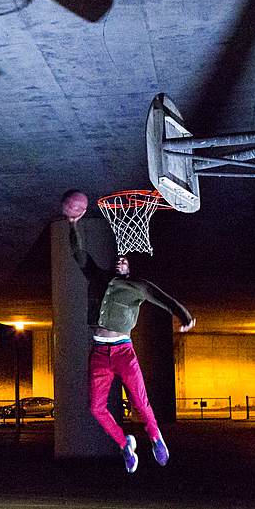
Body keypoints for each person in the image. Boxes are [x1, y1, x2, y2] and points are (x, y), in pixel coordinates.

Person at [66, 194, 195, 473]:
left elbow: (162, 298)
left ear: (129, 268)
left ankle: (156, 438)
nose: (119, 262)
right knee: (96, 409)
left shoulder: (137, 286)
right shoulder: (99, 278)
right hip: (100, 352)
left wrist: (183, 315)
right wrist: (74, 226)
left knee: (140, 402)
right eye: (116, 259)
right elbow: (80, 256)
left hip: (124, 352)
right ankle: (126, 445)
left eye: (124, 261)